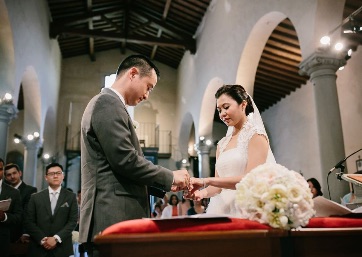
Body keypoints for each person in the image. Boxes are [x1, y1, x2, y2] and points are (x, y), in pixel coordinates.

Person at [79, 54, 190, 256]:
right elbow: (125, 160)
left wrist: (165, 183)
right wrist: (170, 176)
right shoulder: (108, 103)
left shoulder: (112, 105)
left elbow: (118, 168)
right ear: (133, 73)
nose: (147, 95)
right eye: (149, 87)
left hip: (115, 216)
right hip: (112, 216)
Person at [186, 84, 276, 215]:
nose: (222, 114)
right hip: (220, 207)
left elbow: (250, 180)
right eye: (219, 110)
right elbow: (218, 187)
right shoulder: (222, 144)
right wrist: (201, 193)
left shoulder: (255, 135)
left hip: (244, 206)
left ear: (243, 105)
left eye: (226, 107)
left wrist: (206, 180)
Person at [25, 163, 78, 257]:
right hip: (38, 248)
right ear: (46, 177)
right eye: (51, 174)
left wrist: (56, 238)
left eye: (58, 173)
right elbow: (29, 221)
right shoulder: (35, 197)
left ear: (63, 176)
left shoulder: (71, 197)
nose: (55, 176)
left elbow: (72, 221)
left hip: (62, 248)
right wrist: (43, 239)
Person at [4, 163, 37, 244]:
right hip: (4, 233)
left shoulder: (30, 190)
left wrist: (26, 233)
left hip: (19, 234)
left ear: (20, 173)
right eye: (9, 175)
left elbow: (28, 213)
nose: (12, 176)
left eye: (14, 173)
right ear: (5, 178)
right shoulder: (4, 191)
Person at [0, 158, 23, 257]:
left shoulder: (13, 192)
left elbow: (18, 216)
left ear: (3, 171)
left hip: (1, 241)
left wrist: (4, 217)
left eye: (0, 169)